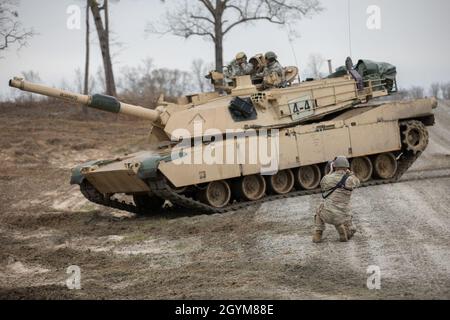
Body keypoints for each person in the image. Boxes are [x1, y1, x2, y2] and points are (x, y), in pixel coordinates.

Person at [313, 156, 360, 243]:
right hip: (344, 215)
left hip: (328, 214)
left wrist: (330, 172)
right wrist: (351, 174)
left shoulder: (327, 178)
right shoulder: (350, 179)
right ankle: (346, 230)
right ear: (347, 167)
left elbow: (323, 185)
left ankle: (318, 234)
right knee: (352, 228)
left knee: (319, 210)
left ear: (334, 166)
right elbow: (357, 182)